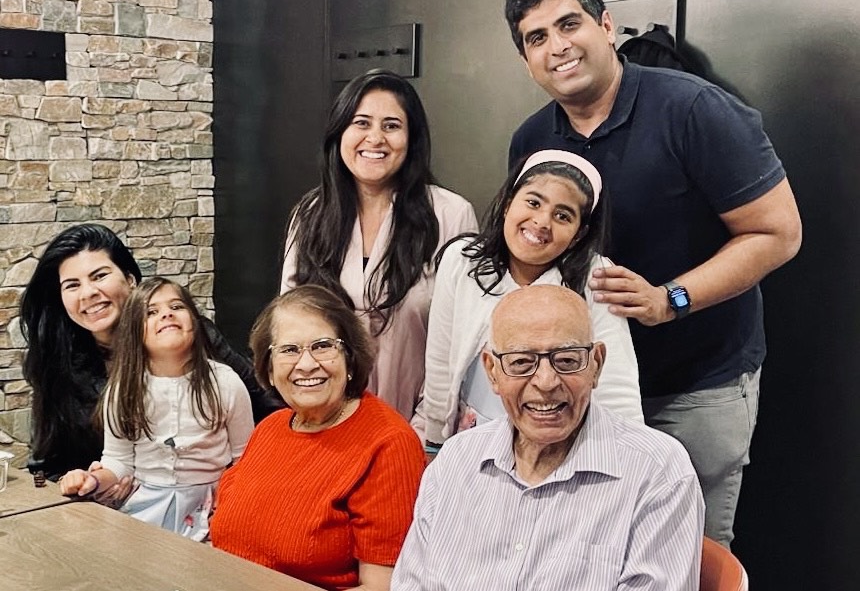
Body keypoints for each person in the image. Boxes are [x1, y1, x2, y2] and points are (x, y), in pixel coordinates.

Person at [505, 0, 802, 546]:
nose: (557, 47)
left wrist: (672, 298)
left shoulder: (694, 109)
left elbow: (778, 234)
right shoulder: (530, 141)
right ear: (525, 59)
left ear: (606, 25)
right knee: (591, 557)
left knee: (687, 560)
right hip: (582, 393)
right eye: (536, 38)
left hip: (695, 388)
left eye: (570, 24)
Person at [393, 285, 703, 591]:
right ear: (492, 372)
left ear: (596, 365)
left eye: (567, 360)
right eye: (521, 362)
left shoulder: (657, 472)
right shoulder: (456, 461)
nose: (546, 381)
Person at [280, 69, 478, 420]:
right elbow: (289, 326)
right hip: (326, 420)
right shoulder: (310, 214)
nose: (375, 138)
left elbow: (465, 338)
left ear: (411, 138)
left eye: (391, 125)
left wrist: (428, 432)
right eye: (361, 123)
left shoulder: (452, 215)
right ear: (340, 131)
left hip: (422, 425)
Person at [20, 223, 280, 484]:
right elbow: (47, 467)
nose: (88, 293)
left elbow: (265, 406)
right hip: (102, 505)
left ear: (131, 280)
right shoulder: (56, 360)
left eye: (99, 276)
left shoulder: (189, 337)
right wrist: (93, 485)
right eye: (72, 285)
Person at [420, 149, 642, 455]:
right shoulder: (462, 261)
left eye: (563, 216)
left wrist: (624, 459)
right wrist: (434, 443)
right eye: (533, 202)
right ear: (509, 204)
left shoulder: (595, 277)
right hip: (474, 437)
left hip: (561, 444)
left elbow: (617, 389)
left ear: (579, 235)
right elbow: (440, 362)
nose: (541, 222)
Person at [211, 285, 426, 591]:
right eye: (289, 350)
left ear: (350, 359)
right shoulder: (270, 428)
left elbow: (383, 587)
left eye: (323, 346)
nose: (307, 363)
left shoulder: (389, 443)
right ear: (269, 370)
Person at [59, 277, 254, 541]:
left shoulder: (225, 381)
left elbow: (244, 459)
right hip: (144, 505)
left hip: (212, 508)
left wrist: (232, 493)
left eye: (177, 306)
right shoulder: (124, 388)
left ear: (195, 322)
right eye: (152, 312)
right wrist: (91, 482)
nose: (167, 314)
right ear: (134, 332)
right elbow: (119, 461)